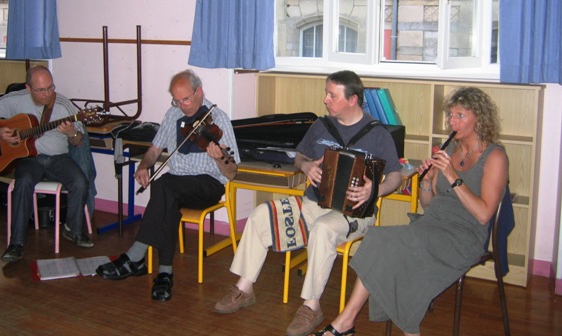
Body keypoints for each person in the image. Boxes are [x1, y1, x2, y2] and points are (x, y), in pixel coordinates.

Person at [214, 70, 402, 336]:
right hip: (311, 205)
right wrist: (307, 167)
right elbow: (299, 156)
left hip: (353, 215)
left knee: (324, 229)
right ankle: (244, 288)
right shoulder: (321, 126)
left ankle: (311, 306)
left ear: (353, 100)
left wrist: (377, 189)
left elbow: (395, 174)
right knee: (260, 214)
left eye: (332, 95)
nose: (325, 99)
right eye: (326, 93)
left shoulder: (377, 134)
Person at [308, 87, 509, 336]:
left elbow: (483, 214)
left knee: (390, 243)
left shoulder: (495, 156)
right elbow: (429, 204)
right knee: (379, 239)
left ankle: (347, 323)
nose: (452, 122)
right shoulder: (450, 150)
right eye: (450, 116)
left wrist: (452, 177)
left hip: (465, 236)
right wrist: (426, 180)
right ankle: (349, 323)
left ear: (479, 118)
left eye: (460, 116)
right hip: (433, 225)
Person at [96, 69, 239, 301]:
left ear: (199, 92)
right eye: (177, 100)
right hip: (176, 185)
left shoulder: (218, 119)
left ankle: (135, 257)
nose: (182, 105)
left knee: (165, 185)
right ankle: (164, 274)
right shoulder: (173, 114)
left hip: (207, 185)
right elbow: (154, 149)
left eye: (186, 99)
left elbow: (232, 173)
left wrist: (219, 157)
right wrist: (143, 166)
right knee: (167, 196)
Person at [0, 65, 94, 263]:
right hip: (29, 160)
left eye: (50, 87)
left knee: (80, 181)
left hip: (58, 159)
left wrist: (71, 132)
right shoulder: (16, 99)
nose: (47, 94)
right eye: (41, 90)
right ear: (28, 88)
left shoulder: (64, 105)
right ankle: (16, 243)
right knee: (23, 183)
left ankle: (72, 229)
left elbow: (78, 142)